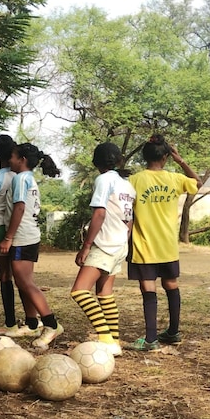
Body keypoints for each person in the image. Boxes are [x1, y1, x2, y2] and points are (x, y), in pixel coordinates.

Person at [126, 134, 202, 352]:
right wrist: (182, 161)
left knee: (148, 287)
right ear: (167, 157)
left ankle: (151, 338)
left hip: (144, 245)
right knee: (171, 284)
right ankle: (173, 331)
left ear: (144, 156)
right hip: (168, 245)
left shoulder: (135, 180)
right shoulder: (175, 179)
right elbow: (198, 182)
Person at [71, 142, 136, 356]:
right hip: (120, 243)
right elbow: (129, 220)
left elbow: (99, 214)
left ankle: (105, 336)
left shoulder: (104, 180)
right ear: (118, 160)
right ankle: (114, 342)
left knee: (80, 291)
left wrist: (86, 245)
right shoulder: (127, 185)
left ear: (97, 163)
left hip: (105, 243)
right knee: (104, 293)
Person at [0, 142, 63, 350]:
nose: (10, 160)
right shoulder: (28, 178)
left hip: (22, 236)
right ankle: (32, 323)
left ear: (22, 160)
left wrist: (8, 237)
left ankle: (51, 324)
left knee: (25, 283)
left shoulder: (20, 178)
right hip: (29, 234)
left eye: (14, 157)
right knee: (23, 282)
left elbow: (19, 208)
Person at [0, 135, 35, 338]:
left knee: (5, 276)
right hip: (20, 230)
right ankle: (31, 320)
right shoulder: (21, 176)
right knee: (24, 278)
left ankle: (10, 322)